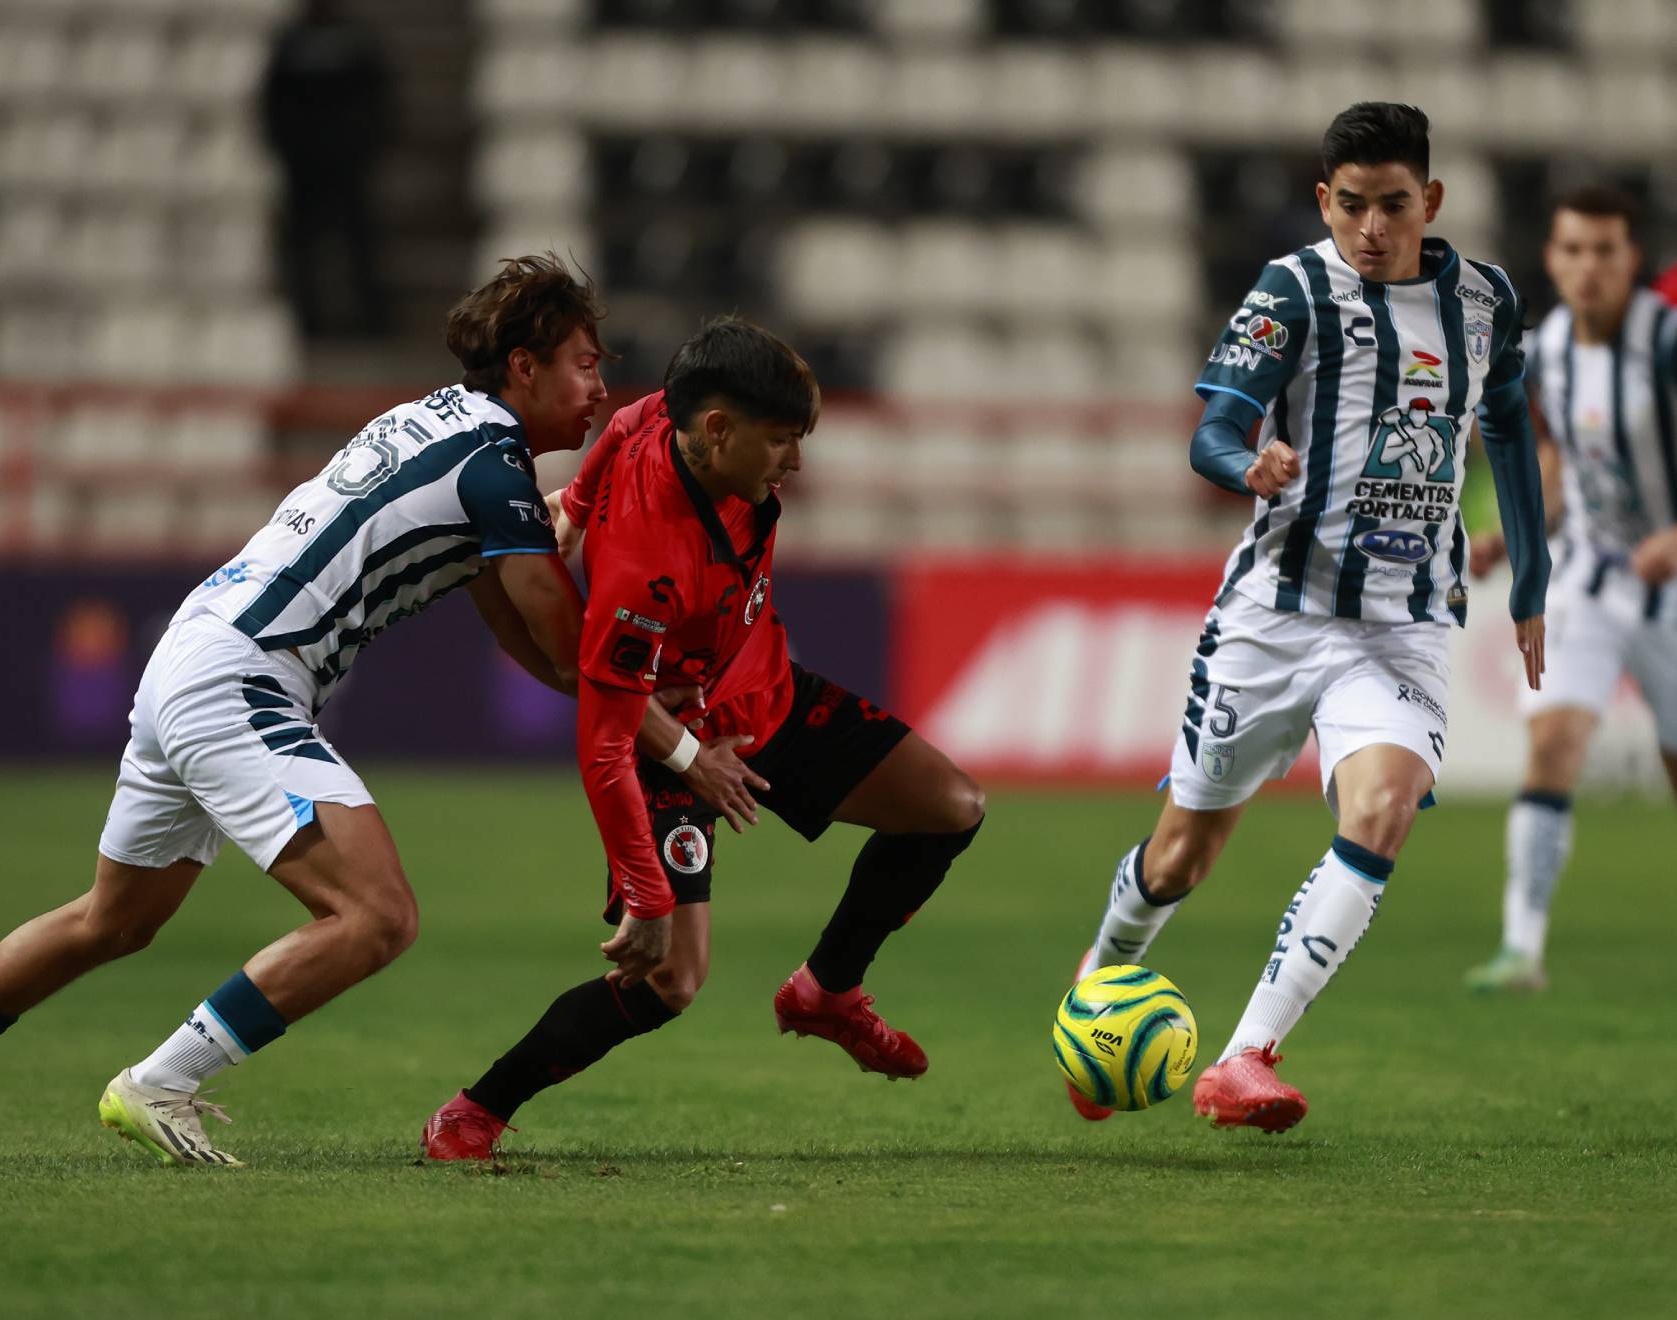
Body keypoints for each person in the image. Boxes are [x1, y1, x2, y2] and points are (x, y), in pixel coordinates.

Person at [0, 255, 741, 1167]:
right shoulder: (492, 464)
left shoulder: (445, 428)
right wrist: (680, 747)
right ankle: (162, 1082)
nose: (599, 386)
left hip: (195, 653)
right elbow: (568, 635)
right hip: (244, 677)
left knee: (112, 920)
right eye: (585, 362)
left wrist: (621, 684)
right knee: (375, 915)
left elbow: (538, 647)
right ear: (523, 367)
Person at [1065, 103, 1551, 1134]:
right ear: (1323, 199)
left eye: (1392, 204)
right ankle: (1098, 986)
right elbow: (1214, 433)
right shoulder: (1293, 290)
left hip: (1403, 625)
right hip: (1274, 619)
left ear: (1433, 200)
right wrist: (1251, 462)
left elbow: (1506, 423)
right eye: (1350, 205)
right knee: (1181, 859)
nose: (1370, 227)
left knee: (1379, 812)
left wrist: (1535, 587)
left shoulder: (1485, 300)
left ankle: (1245, 1058)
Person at [420, 318, 985, 1161]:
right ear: (720, 431)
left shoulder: (673, 417)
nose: (795, 461)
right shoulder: (647, 568)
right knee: (670, 980)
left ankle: (827, 992)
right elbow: (606, 738)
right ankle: (477, 1109)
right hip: (677, 738)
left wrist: (572, 507)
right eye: (783, 440)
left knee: (950, 806)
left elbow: (627, 417)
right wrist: (647, 892)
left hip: (767, 692)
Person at [1464, 187, 1677, 992]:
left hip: (1673, 589)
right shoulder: (1544, 349)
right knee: (1553, 745)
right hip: (1587, 575)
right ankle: (1523, 950)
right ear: (1552, 259)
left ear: (1633, 263)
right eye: (1574, 250)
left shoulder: (1667, 344)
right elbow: (1554, 466)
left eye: (1606, 251)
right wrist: (1513, 536)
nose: (1589, 267)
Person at [258, 0, 392, 338]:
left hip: (347, 164)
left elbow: (379, 103)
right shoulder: (291, 42)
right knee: (307, 247)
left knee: (357, 244)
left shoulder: (356, 42)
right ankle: (311, 321)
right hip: (306, 167)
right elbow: (273, 106)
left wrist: (366, 147)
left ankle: (369, 318)